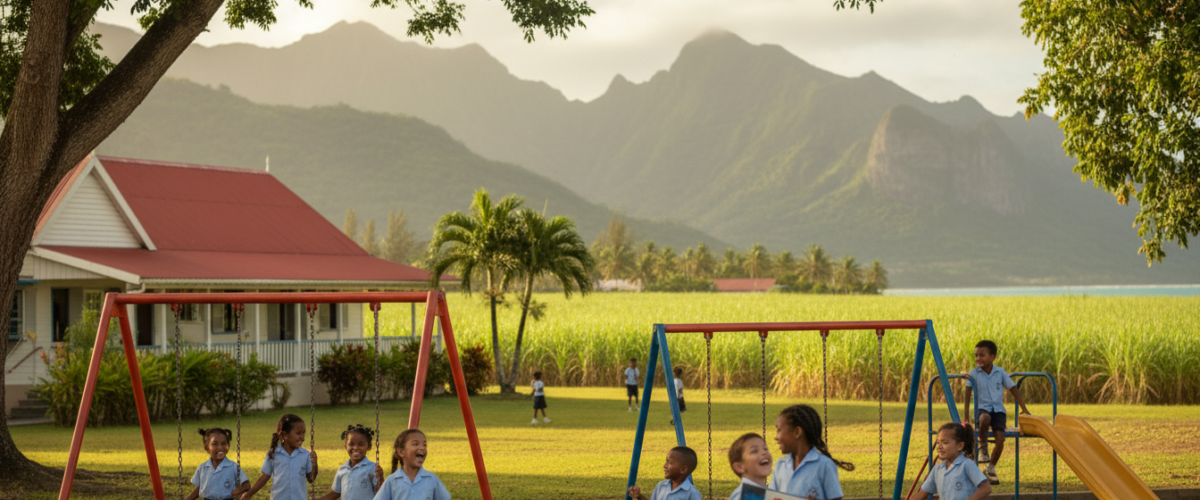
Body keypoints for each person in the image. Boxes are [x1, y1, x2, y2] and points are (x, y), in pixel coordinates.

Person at [963, 340, 1030, 485]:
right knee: (985, 418)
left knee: (1000, 440)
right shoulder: (973, 374)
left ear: (992, 357)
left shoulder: (1000, 372)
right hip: (982, 410)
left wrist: (1024, 409)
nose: (978, 358)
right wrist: (966, 418)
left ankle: (991, 468)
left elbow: (1013, 390)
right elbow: (967, 396)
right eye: (976, 355)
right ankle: (983, 448)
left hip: (999, 411)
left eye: (982, 355)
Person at [768, 404, 852, 500]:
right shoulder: (780, 465)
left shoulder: (824, 465)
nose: (776, 437)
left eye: (779, 430)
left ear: (797, 432)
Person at [242, 414, 318, 500]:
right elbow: (264, 477)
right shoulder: (274, 454)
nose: (302, 437)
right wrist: (249, 494)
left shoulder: (305, 454)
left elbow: (311, 479)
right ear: (285, 435)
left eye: (303, 433)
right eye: (298, 433)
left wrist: (314, 463)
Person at [910, 423, 992, 500]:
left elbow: (986, 488)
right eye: (938, 442)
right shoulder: (937, 469)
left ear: (959, 446)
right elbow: (922, 493)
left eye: (945, 442)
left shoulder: (966, 464)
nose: (939, 446)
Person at [373, 429, 450, 500]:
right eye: (415, 444)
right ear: (401, 452)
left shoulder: (431, 479)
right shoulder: (392, 480)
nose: (422, 448)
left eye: (424, 445)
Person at [315, 425, 385, 500]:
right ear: (346, 445)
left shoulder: (372, 468)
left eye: (361, 444)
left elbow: (381, 493)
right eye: (351, 444)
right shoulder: (342, 470)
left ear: (369, 446)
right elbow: (335, 493)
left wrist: (380, 478)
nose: (355, 448)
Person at [185, 427, 250, 500]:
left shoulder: (233, 467)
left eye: (224, 444)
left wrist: (239, 490)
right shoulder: (202, 468)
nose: (220, 447)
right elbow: (199, 489)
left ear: (228, 446)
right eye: (215, 444)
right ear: (207, 448)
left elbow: (247, 485)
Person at [627, 446, 702, 500]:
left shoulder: (692, 493)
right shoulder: (661, 486)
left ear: (683, 469)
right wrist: (639, 496)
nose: (665, 465)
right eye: (666, 461)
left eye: (670, 462)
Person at [726, 432, 772, 500]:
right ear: (739, 467)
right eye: (754, 451)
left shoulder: (767, 494)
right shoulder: (742, 495)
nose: (764, 452)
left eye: (765, 449)